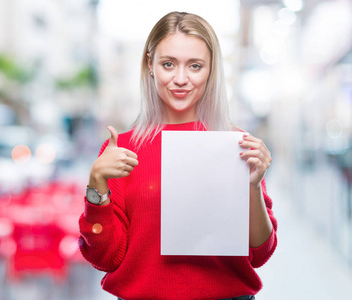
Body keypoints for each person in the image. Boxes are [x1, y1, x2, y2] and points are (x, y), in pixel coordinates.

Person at [79, 11, 277, 300]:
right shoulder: (121, 149)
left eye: (195, 66)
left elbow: (261, 251)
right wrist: (97, 182)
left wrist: (253, 185)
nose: (181, 79)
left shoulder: (236, 143)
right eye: (168, 64)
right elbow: (104, 257)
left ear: (211, 69)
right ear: (150, 64)